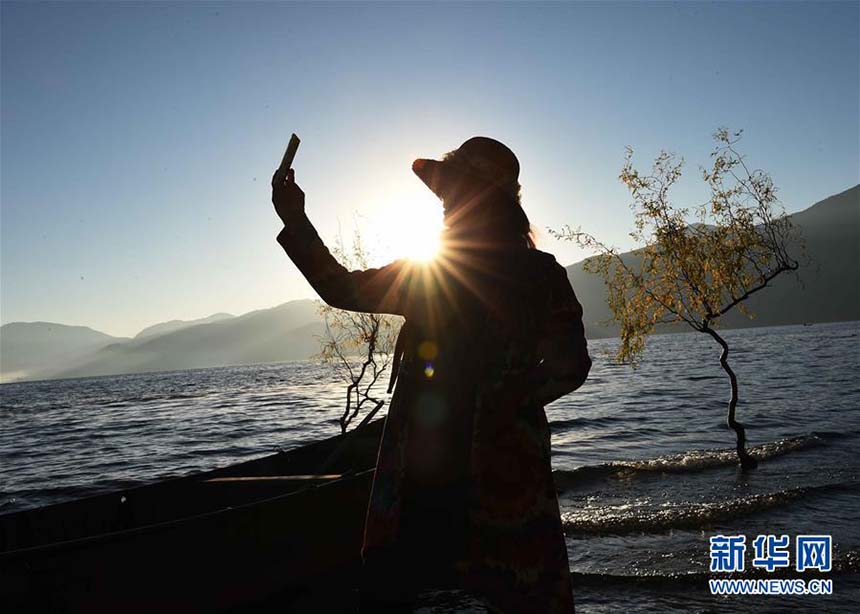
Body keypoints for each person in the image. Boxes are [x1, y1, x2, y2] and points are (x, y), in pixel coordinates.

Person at [271, 137, 591, 613]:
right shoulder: (541, 274)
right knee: (515, 590)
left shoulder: (431, 274)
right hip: (505, 479)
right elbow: (570, 367)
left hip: (428, 480)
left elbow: (340, 286)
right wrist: (512, 402)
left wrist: (295, 220)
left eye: (452, 196)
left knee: (418, 587)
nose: (446, 207)